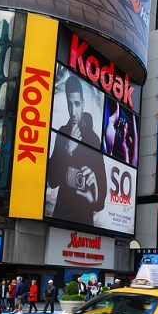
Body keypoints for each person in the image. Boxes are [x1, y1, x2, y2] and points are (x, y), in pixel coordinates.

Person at [46, 75, 107, 226]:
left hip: (84, 219)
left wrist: (94, 194)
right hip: (62, 215)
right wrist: (68, 149)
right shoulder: (62, 133)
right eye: (69, 104)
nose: (73, 111)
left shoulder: (94, 140)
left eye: (77, 104)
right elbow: (52, 181)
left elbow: (100, 202)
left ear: (83, 104)